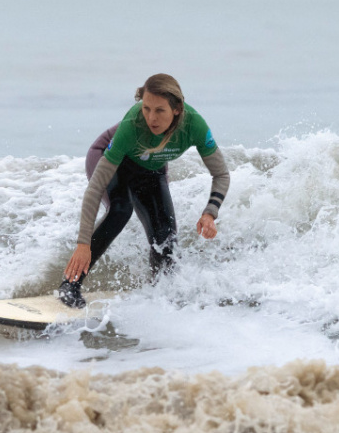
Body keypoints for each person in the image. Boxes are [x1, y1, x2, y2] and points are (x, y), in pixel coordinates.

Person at [59, 74, 230, 308]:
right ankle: (70, 285)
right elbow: (96, 188)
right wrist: (82, 244)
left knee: (166, 239)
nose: (151, 117)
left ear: (177, 109)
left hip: (150, 170)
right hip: (109, 160)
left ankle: (159, 296)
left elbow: (221, 174)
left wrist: (210, 212)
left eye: (160, 110)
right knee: (121, 210)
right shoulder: (132, 126)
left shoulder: (195, 126)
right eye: (146, 108)